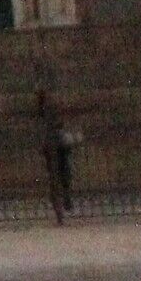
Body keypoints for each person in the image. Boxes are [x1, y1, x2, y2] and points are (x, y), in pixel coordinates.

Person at [36, 86, 79, 223]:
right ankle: (61, 207)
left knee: (62, 175)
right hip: (55, 145)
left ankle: (63, 203)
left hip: (58, 145)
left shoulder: (52, 110)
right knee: (59, 176)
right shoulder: (45, 111)